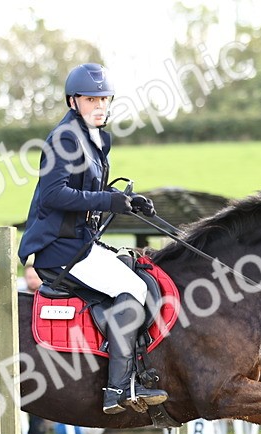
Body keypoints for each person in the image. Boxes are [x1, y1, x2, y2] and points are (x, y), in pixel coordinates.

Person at [17, 63, 167, 415]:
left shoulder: (95, 138)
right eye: (90, 99)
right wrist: (107, 200)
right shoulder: (64, 138)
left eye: (104, 99)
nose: (99, 105)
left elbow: (90, 193)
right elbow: (54, 195)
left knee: (138, 272)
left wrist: (128, 201)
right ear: (73, 102)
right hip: (60, 250)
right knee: (134, 288)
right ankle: (119, 388)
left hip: (81, 244)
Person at [19, 265, 47, 434]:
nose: (32, 280)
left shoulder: (48, 297)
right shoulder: (18, 300)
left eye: (34, 276)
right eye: (29, 276)